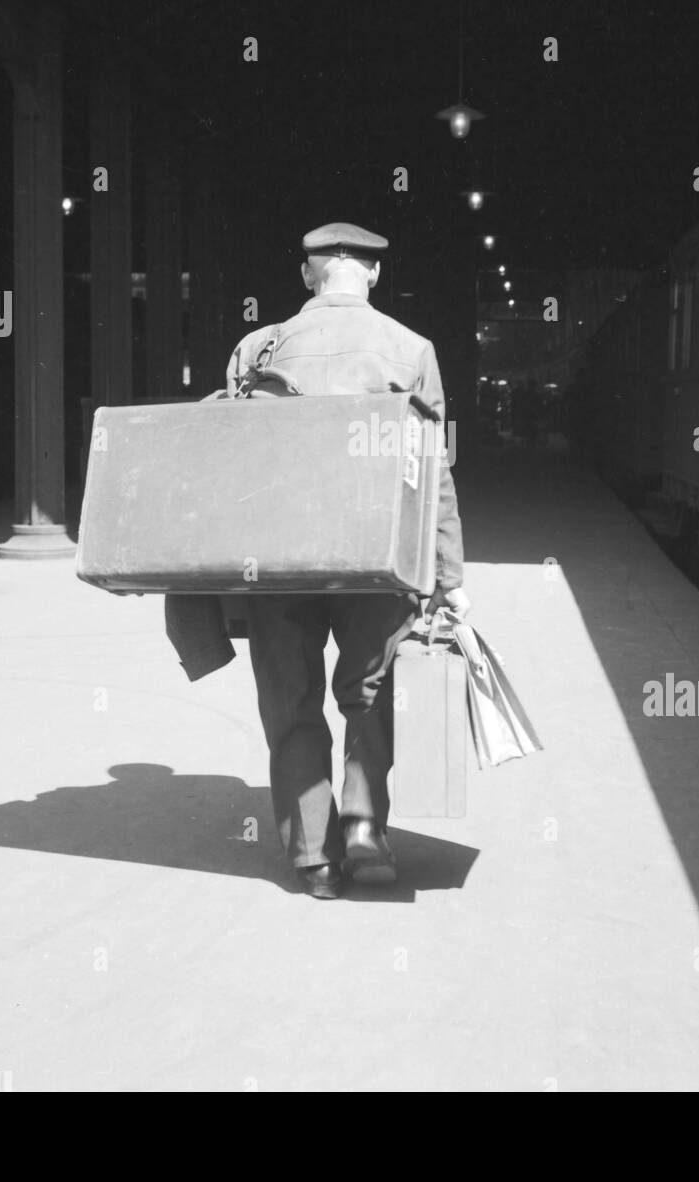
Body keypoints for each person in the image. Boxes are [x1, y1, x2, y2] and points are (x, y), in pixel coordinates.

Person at [225, 222, 471, 899]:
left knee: (291, 702)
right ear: (371, 274)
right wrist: (447, 578)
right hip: (375, 559)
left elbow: (228, 464)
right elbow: (433, 472)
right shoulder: (411, 349)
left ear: (308, 276)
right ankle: (365, 831)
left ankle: (313, 858)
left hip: (273, 563)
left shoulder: (257, 347)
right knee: (369, 693)